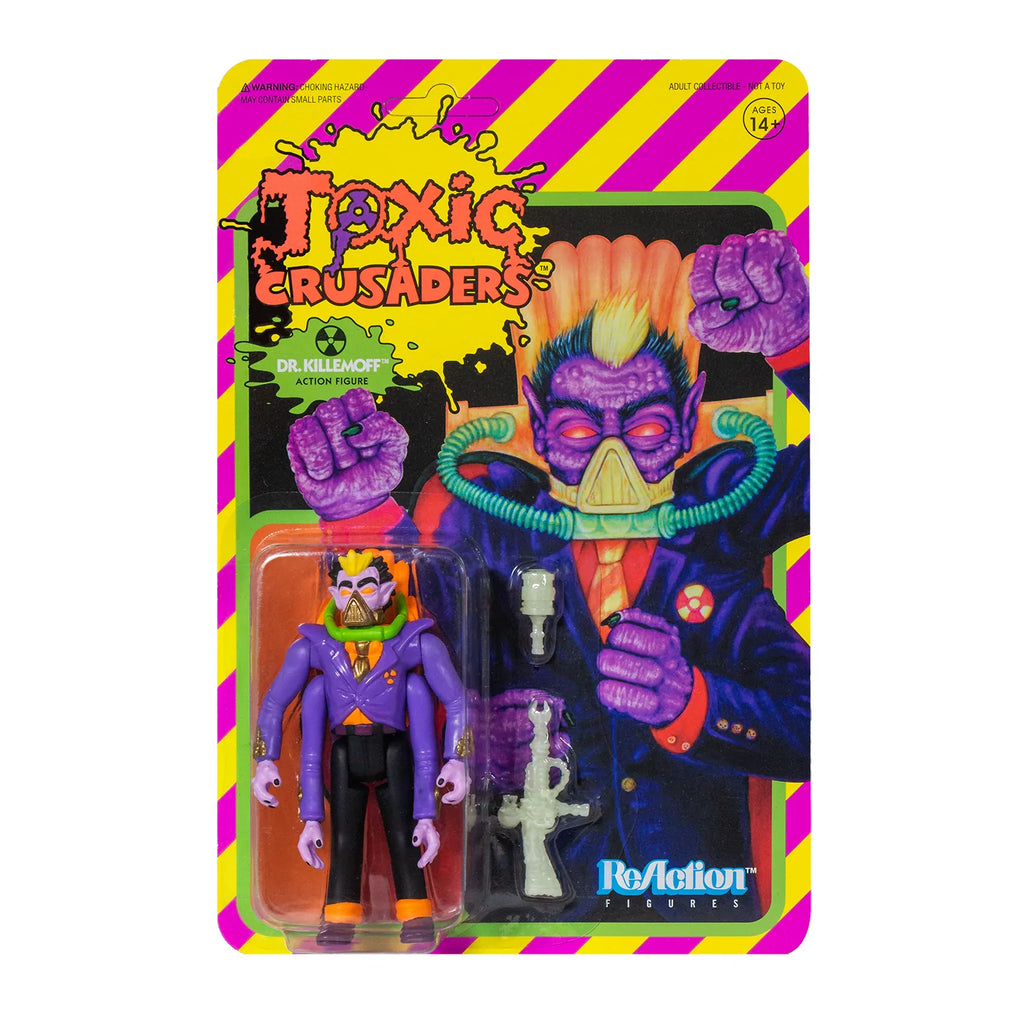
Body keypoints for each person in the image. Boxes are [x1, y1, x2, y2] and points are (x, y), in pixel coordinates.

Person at [284, 229, 810, 922]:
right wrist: (360, 514)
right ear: (537, 423)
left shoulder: (720, 527)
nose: (612, 464)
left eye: (647, 430)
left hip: (696, 905)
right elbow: (399, 637)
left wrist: (800, 350)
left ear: (688, 421)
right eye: (579, 432)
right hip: (524, 909)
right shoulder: (490, 530)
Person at [251, 549, 468, 944]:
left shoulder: (412, 643)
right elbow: (274, 703)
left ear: (386, 592)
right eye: (346, 587)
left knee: (405, 835)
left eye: (365, 587)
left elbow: (455, 699)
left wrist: (456, 758)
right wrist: (265, 760)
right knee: (343, 839)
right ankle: (339, 915)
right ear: (334, 594)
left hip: (394, 751)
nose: (354, 597)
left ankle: (416, 912)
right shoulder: (315, 647)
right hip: (344, 754)